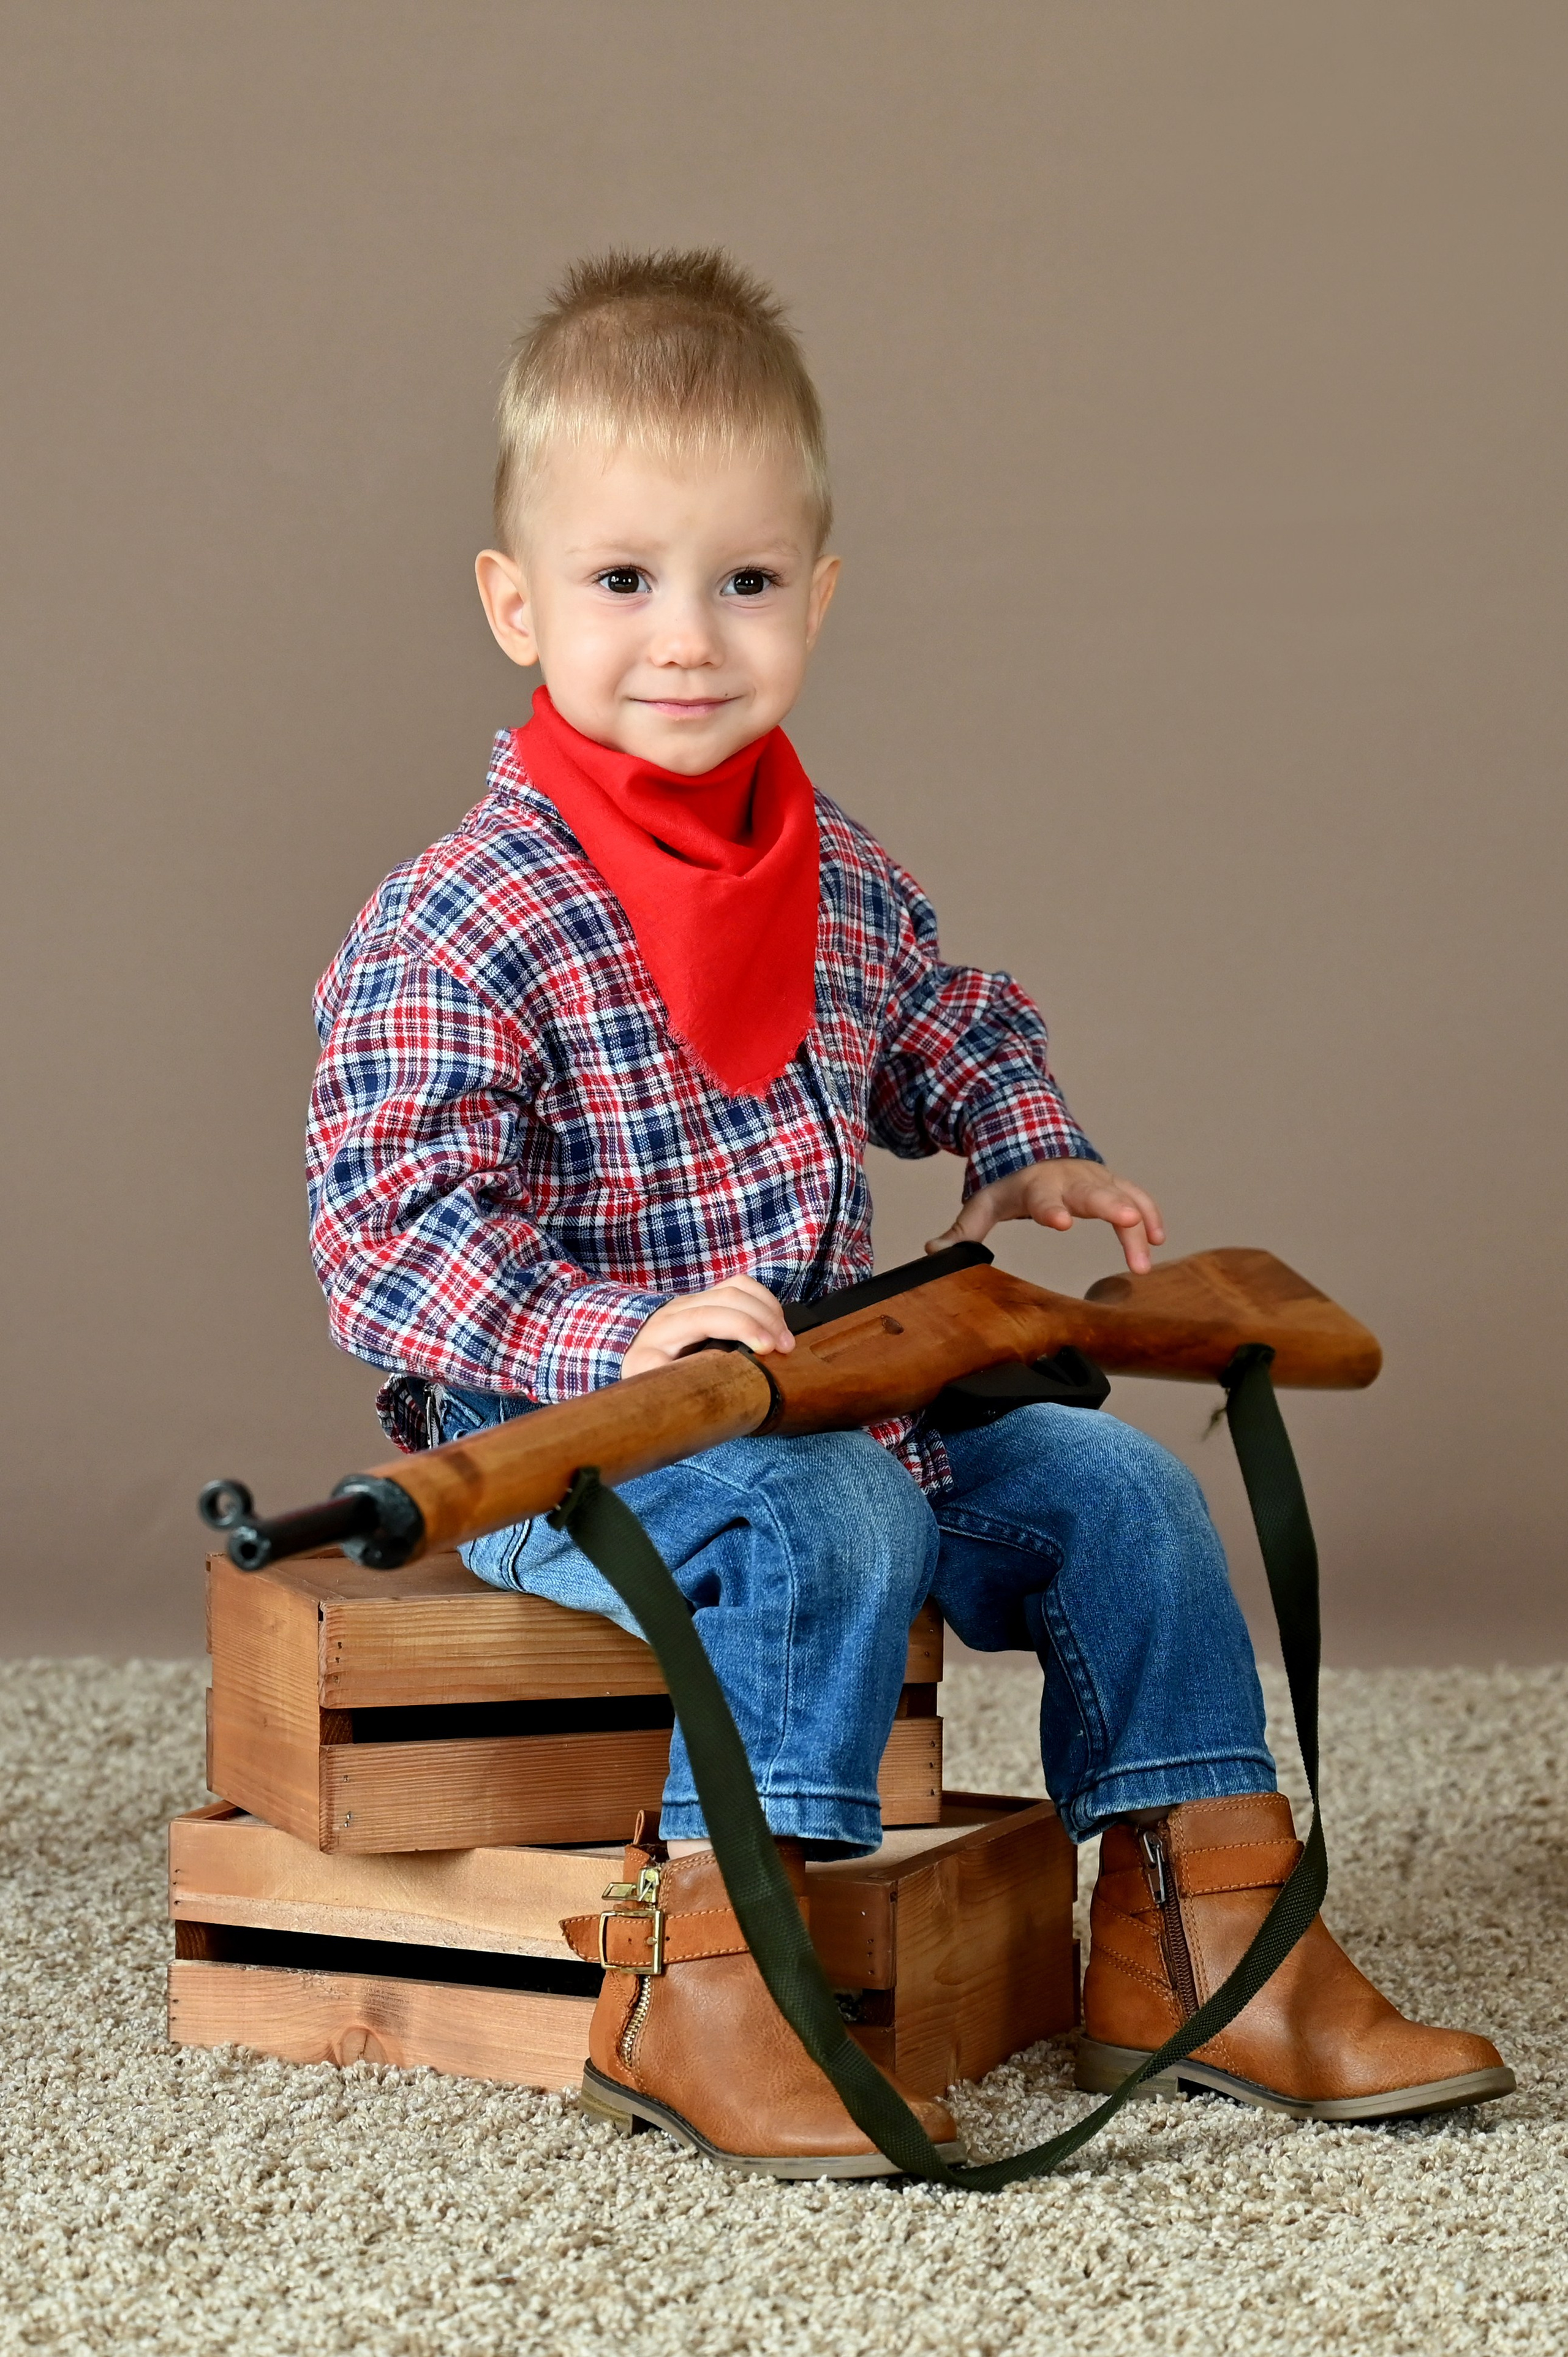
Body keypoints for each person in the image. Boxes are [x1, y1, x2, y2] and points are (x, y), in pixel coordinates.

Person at [306, 249, 1511, 2176]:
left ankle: (1201, 1938)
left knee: (1118, 1492)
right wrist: (617, 1334)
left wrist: (1019, 1138)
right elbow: (387, 1231)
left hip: (826, 1391)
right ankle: (719, 1977)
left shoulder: (828, 863)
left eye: (746, 582)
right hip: (570, 1439)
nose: (688, 637)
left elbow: (943, 1017)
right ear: (515, 605)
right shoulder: (463, 915)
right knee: (836, 1512)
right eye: (624, 581)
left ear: (819, 596)